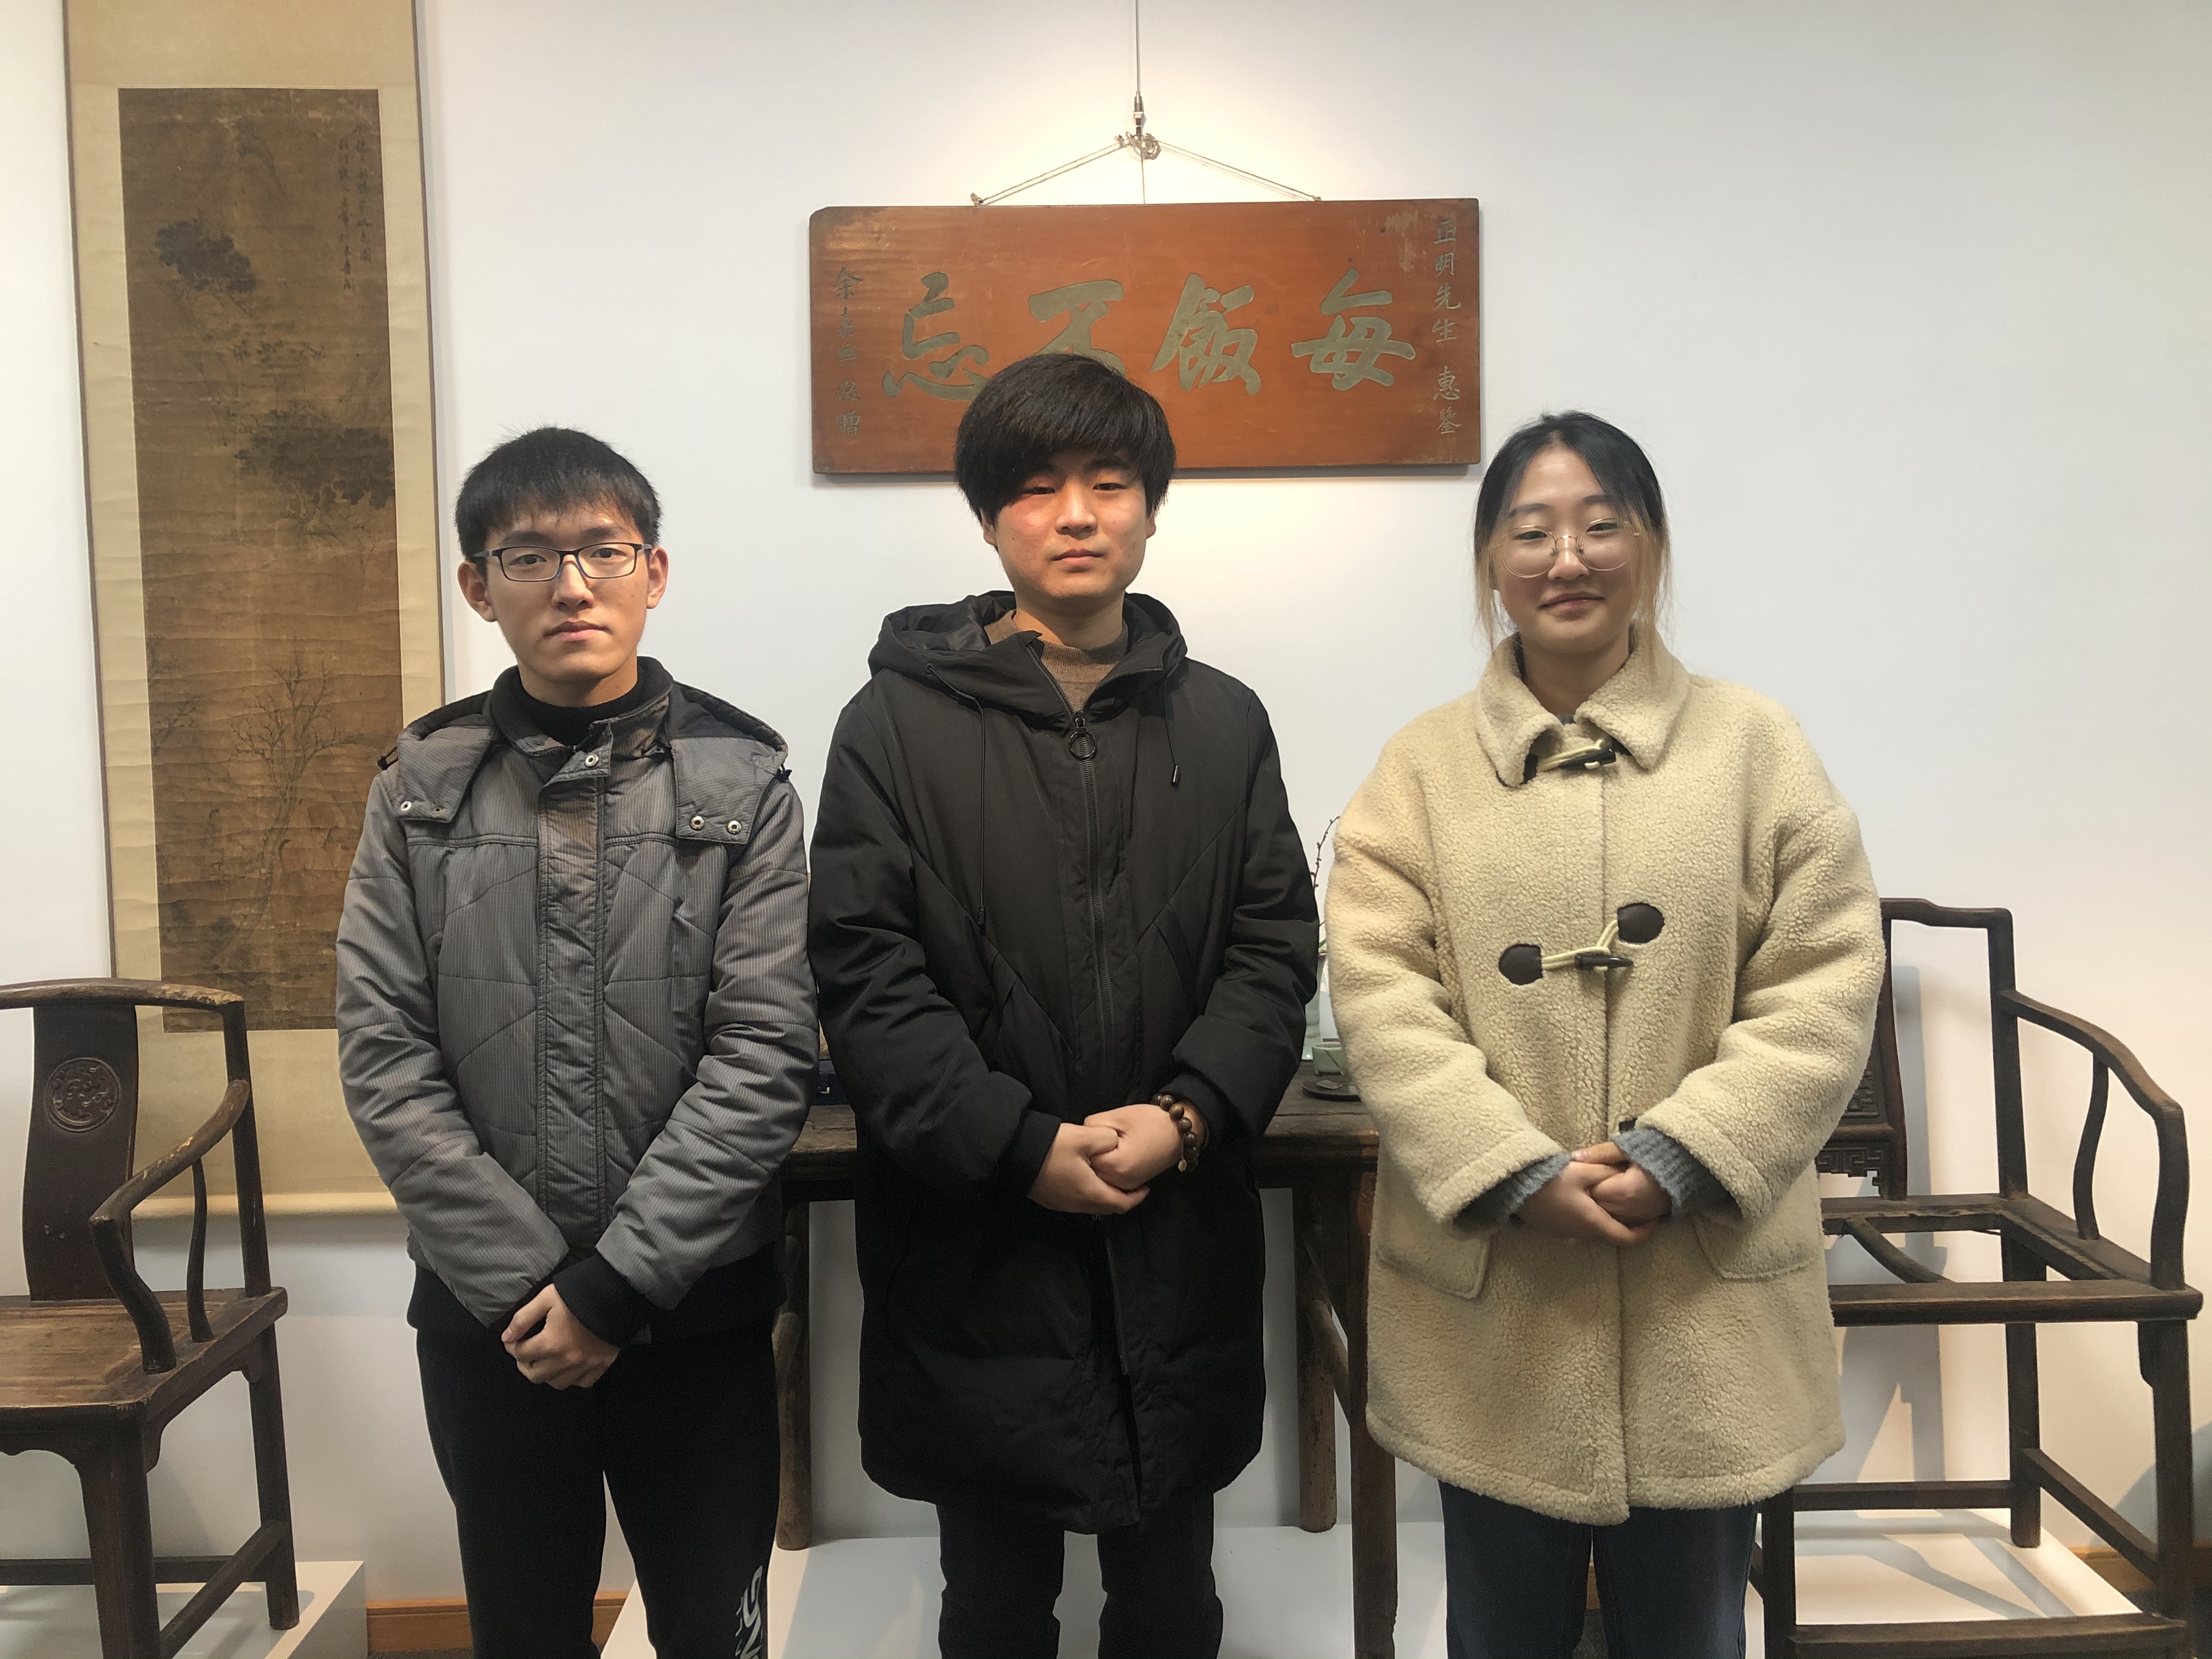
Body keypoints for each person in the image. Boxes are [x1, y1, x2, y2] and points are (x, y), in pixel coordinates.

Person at [1325, 411, 1884, 1659]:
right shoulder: (1419, 769)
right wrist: (1511, 1169)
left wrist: (1686, 1153)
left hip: (1702, 1289)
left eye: (1600, 525)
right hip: (1498, 1296)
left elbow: (1825, 978)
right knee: (1500, 1630)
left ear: (1652, 547)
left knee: (1692, 1629)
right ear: (1490, 561)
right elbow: (1380, 992)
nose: (1566, 557)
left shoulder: (1756, 746)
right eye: (1530, 531)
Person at [808, 353, 1317, 1659]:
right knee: (991, 1603)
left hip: (1174, 1232)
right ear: (989, 520)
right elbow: (865, 971)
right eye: (1037, 487)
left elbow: (1272, 947)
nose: (1077, 514)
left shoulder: (1225, 721)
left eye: (1109, 481)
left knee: (1171, 1600)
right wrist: (1017, 1144)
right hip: (978, 1245)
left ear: (1152, 508)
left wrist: (1186, 1117)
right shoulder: (891, 725)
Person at [335, 427, 815, 1659]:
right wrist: (529, 1286)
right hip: (491, 1324)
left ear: (654, 572)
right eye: (529, 556)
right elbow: (383, 1055)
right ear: (477, 585)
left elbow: (766, 1052)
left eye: (603, 550)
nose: (571, 585)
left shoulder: (745, 783)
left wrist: (616, 1287)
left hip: (696, 1311)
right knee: (525, 1633)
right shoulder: (417, 789)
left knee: (715, 1630)